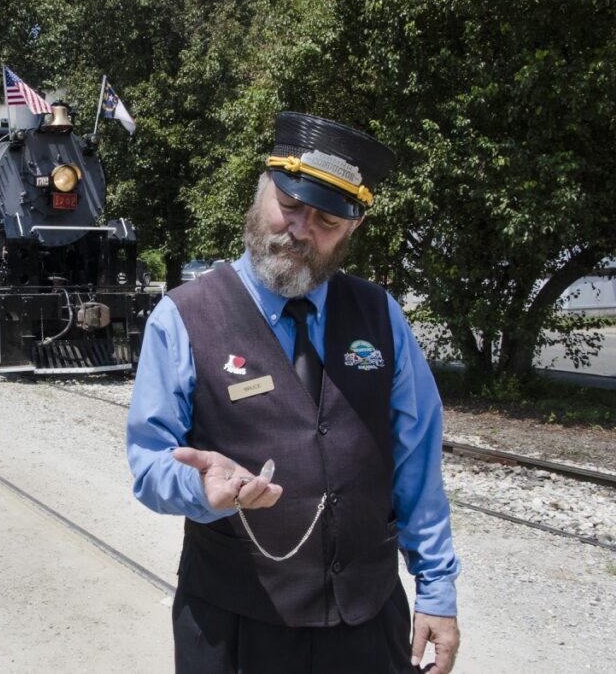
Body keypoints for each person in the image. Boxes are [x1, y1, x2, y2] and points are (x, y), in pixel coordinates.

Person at [127, 112, 460, 674]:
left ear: (352, 229)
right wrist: (198, 487)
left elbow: (417, 460)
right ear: (262, 192)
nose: (301, 229)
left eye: (327, 220)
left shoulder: (381, 315)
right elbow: (148, 464)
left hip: (366, 620)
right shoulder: (183, 317)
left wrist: (436, 588)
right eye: (290, 205)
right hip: (235, 625)